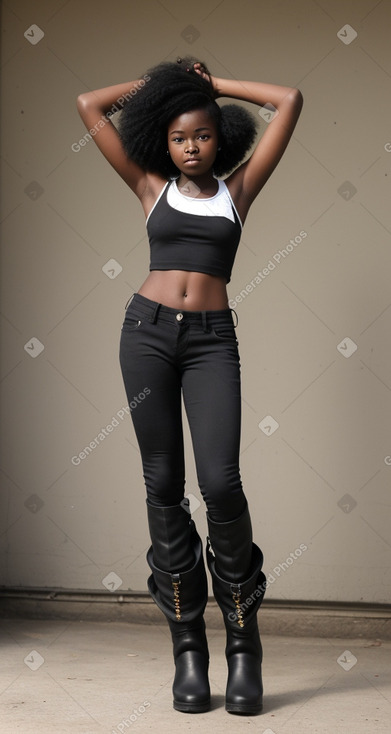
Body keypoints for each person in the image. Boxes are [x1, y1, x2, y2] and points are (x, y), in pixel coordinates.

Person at [77, 57, 303, 716]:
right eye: (178, 136)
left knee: (221, 483)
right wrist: (166, 82)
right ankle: (187, 651)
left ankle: (241, 646)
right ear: (163, 142)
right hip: (144, 334)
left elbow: (288, 98)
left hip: (209, 341)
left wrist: (213, 86)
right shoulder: (149, 187)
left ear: (218, 138)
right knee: (161, 486)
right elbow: (89, 103)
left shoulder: (239, 190)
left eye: (202, 134)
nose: (191, 146)